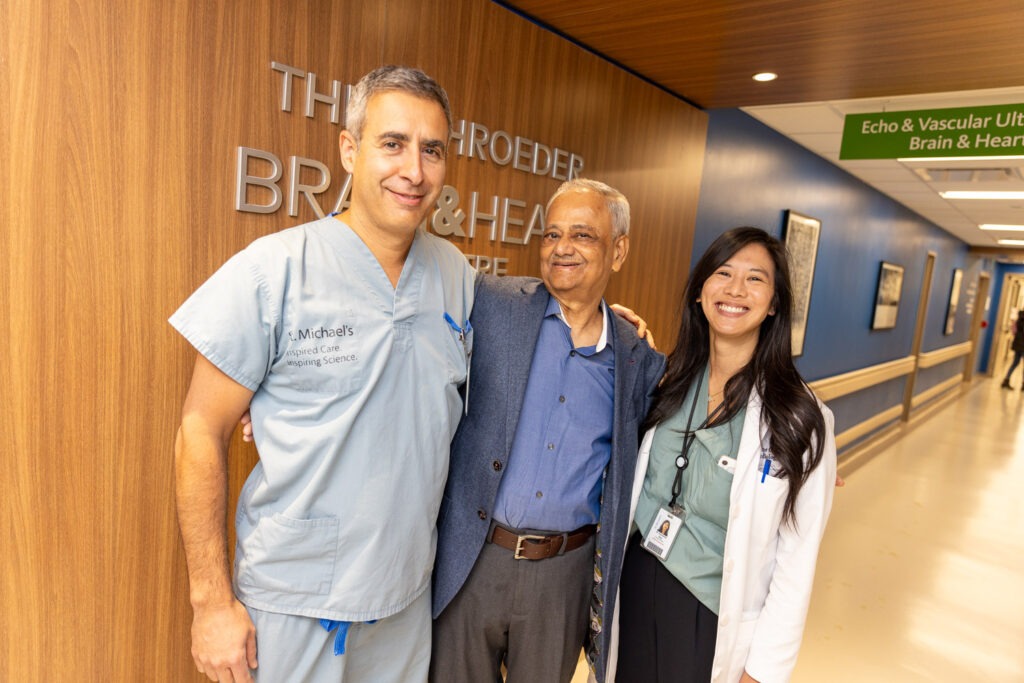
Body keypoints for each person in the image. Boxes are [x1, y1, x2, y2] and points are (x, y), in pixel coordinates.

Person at [169, 66, 475, 683]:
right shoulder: (273, 271)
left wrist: (585, 313)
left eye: (431, 150)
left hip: (404, 603)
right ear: (349, 149)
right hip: (292, 605)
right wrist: (211, 603)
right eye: (392, 143)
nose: (414, 171)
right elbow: (200, 430)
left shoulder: (456, 275)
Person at [429, 179, 665, 683]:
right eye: (552, 234)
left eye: (583, 235)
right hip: (473, 558)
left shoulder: (636, 360)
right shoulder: (491, 304)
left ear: (618, 251)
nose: (562, 248)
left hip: (563, 577)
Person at [608, 227, 837, 683]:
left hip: (710, 615)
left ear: (774, 303)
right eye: (723, 273)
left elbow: (797, 557)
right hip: (634, 590)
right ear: (699, 292)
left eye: (755, 279)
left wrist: (764, 670)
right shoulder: (665, 381)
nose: (735, 290)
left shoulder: (800, 418)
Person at [1000, 308, 1024, 390]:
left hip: (1017, 344)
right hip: (1022, 345)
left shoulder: (1019, 318)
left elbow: (1015, 332)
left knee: (1015, 363)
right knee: (1016, 363)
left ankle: (1006, 379)